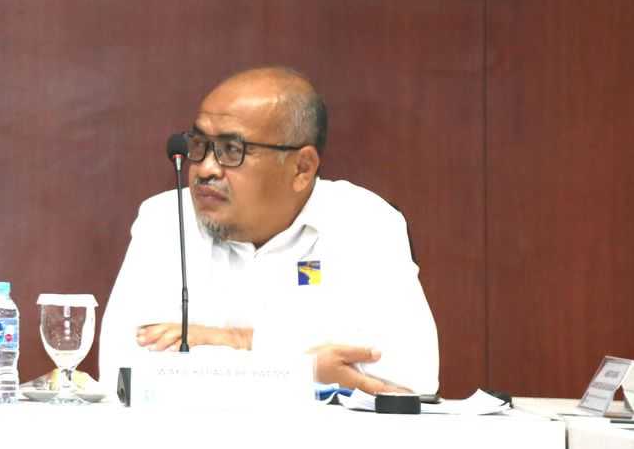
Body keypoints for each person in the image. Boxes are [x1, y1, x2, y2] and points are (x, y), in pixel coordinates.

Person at [96, 66, 439, 395]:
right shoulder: (166, 218)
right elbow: (122, 370)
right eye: (199, 145)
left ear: (302, 168)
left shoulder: (362, 222)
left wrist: (230, 341)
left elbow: (411, 375)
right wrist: (307, 368)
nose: (205, 168)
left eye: (232, 150)